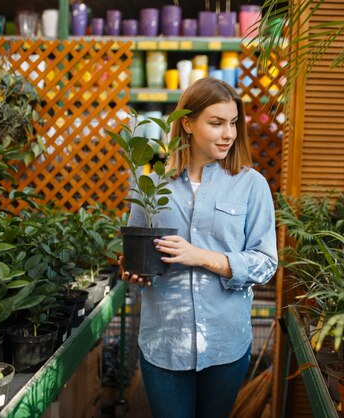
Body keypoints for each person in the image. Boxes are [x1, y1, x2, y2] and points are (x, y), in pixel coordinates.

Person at [119, 77, 278, 418]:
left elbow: (266, 263)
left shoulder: (252, 186)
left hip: (225, 344)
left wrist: (202, 257)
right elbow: (136, 256)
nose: (228, 134)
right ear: (188, 124)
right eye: (217, 123)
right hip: (164, 343)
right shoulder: (153, 186)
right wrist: (133, 270)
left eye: (233, 123)